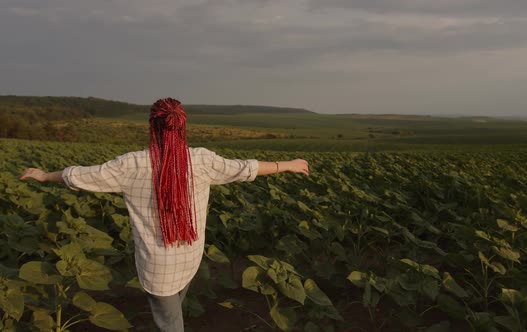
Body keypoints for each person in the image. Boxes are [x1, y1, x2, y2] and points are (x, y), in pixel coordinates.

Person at [19, 98, 310, 331]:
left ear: (152, 126)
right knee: (174, 311)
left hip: (157, 266)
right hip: (189, 255)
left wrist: (44, 176)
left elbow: (79, 176)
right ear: (182, 126)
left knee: (170, 323)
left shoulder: (131, 164)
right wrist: (288, 163)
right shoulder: (202, 160)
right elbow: (247, 168)